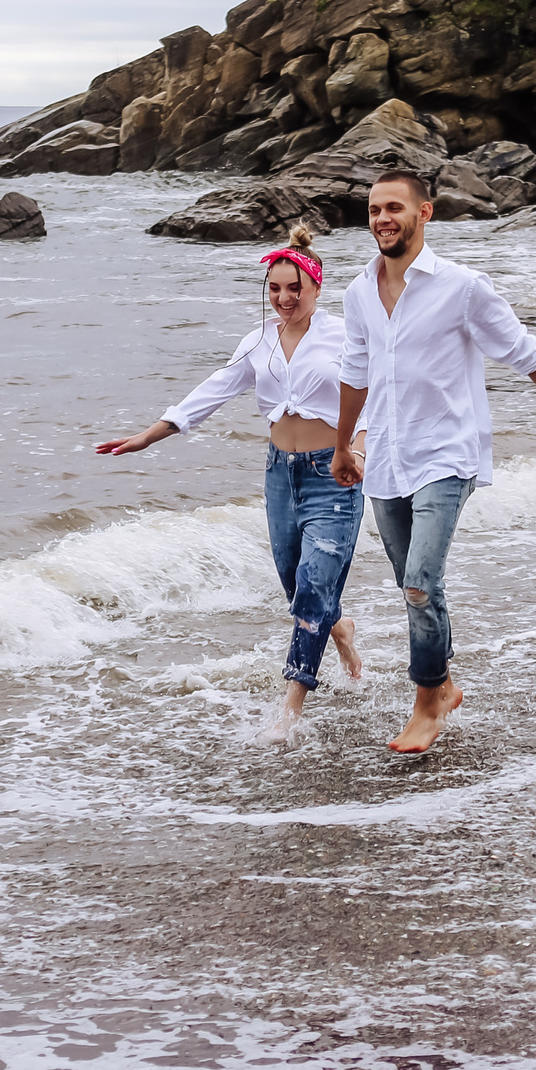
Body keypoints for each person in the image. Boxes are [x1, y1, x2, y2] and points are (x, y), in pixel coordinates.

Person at [332, 168, 536, 754]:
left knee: (419, 583)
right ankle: (445, 682)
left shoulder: (462, 287)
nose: (382, 219)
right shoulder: (359, 292)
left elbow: (524, 352)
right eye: (374, 209)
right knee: (414, 584)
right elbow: (355, 372)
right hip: (385, 457)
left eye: (394, 208)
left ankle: (426, 702)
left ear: (424, 213)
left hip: (446, 452)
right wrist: (342, 445)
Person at [95, 226, 367, 730]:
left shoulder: (346, 335)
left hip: (334, 474)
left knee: (312, 586)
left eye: (295, 288)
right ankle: (340, 630)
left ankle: (291, 708)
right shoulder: (258, 340)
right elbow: (215, 389)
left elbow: (373, 392)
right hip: (280, 476)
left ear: (316, 285)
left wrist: (359, 448)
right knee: (298, 588)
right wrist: (151, 434)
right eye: (274, 289)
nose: (283, 299)